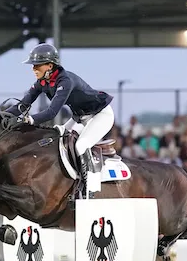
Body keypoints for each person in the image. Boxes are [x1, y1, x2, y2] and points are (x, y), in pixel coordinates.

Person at [9, 43, 115, 195]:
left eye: (37, 65)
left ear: (50, 66)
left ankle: (89, 189)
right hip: (80, 118)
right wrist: (2, 116)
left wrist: (28, 121)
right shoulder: (42, 82)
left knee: (81, 145)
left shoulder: (65, 81)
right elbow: (23, 105)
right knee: (57, 139)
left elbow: (51, 112)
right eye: (33, 65)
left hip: (100, 115)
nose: (33, 69)